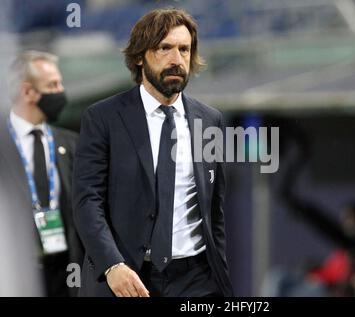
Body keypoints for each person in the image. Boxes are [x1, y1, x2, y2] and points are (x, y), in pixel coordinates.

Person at [73, 8, 233, 297]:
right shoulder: (103, 118)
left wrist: (221, 281)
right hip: (128, 276)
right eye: (164, 48)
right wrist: (112, 265)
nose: (177, 60)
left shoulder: (211, 121)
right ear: (139, 56)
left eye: (184, 50)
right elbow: (87, 201)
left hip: (196, 280)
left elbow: (214, 211)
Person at [0, 50, 84, 296]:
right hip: (16, 269)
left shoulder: (72, 145)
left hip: (65, 272)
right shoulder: (3, 144)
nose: (60, 92)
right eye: (53, 85)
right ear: (28, 92)